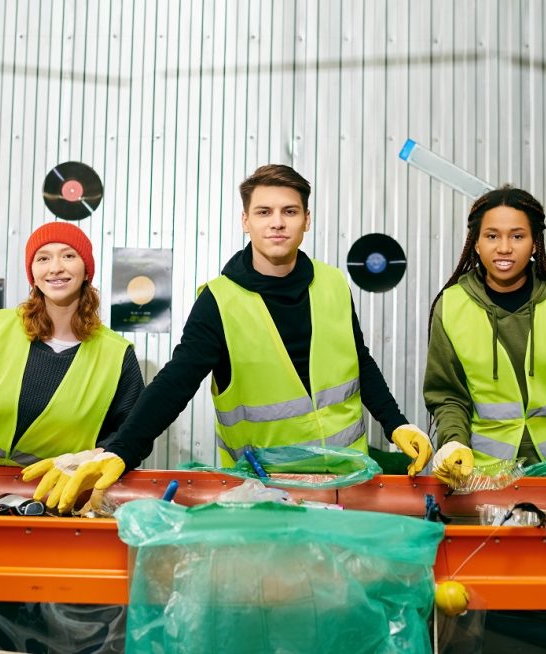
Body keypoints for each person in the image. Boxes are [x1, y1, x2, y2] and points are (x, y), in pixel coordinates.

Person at [24, 164, 432, 511]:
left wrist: (396, 424)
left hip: (347, 486)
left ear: (307, 220)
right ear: (246, 220)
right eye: (264, 211)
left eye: (290, 211)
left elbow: (358, 361)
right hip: (265, 494)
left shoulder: (332, 284)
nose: (277, 222)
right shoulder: (219, 300)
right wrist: (122, 448)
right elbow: (176, 382)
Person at [0, 221, 144, 467]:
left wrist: (89, 459)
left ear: (87, 270)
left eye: (68, 255)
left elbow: (133, 435)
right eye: (43, 259)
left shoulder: (116, 355)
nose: (55, 268)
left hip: (53, 494)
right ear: (32, 274)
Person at [424, 186, 546, 484]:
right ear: (476, 243)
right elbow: (448, 395)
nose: (504, 247)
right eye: (492, 236)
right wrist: (453, 441)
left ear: (534, 243)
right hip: (486, 477)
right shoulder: (453, 305)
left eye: (517, 236)